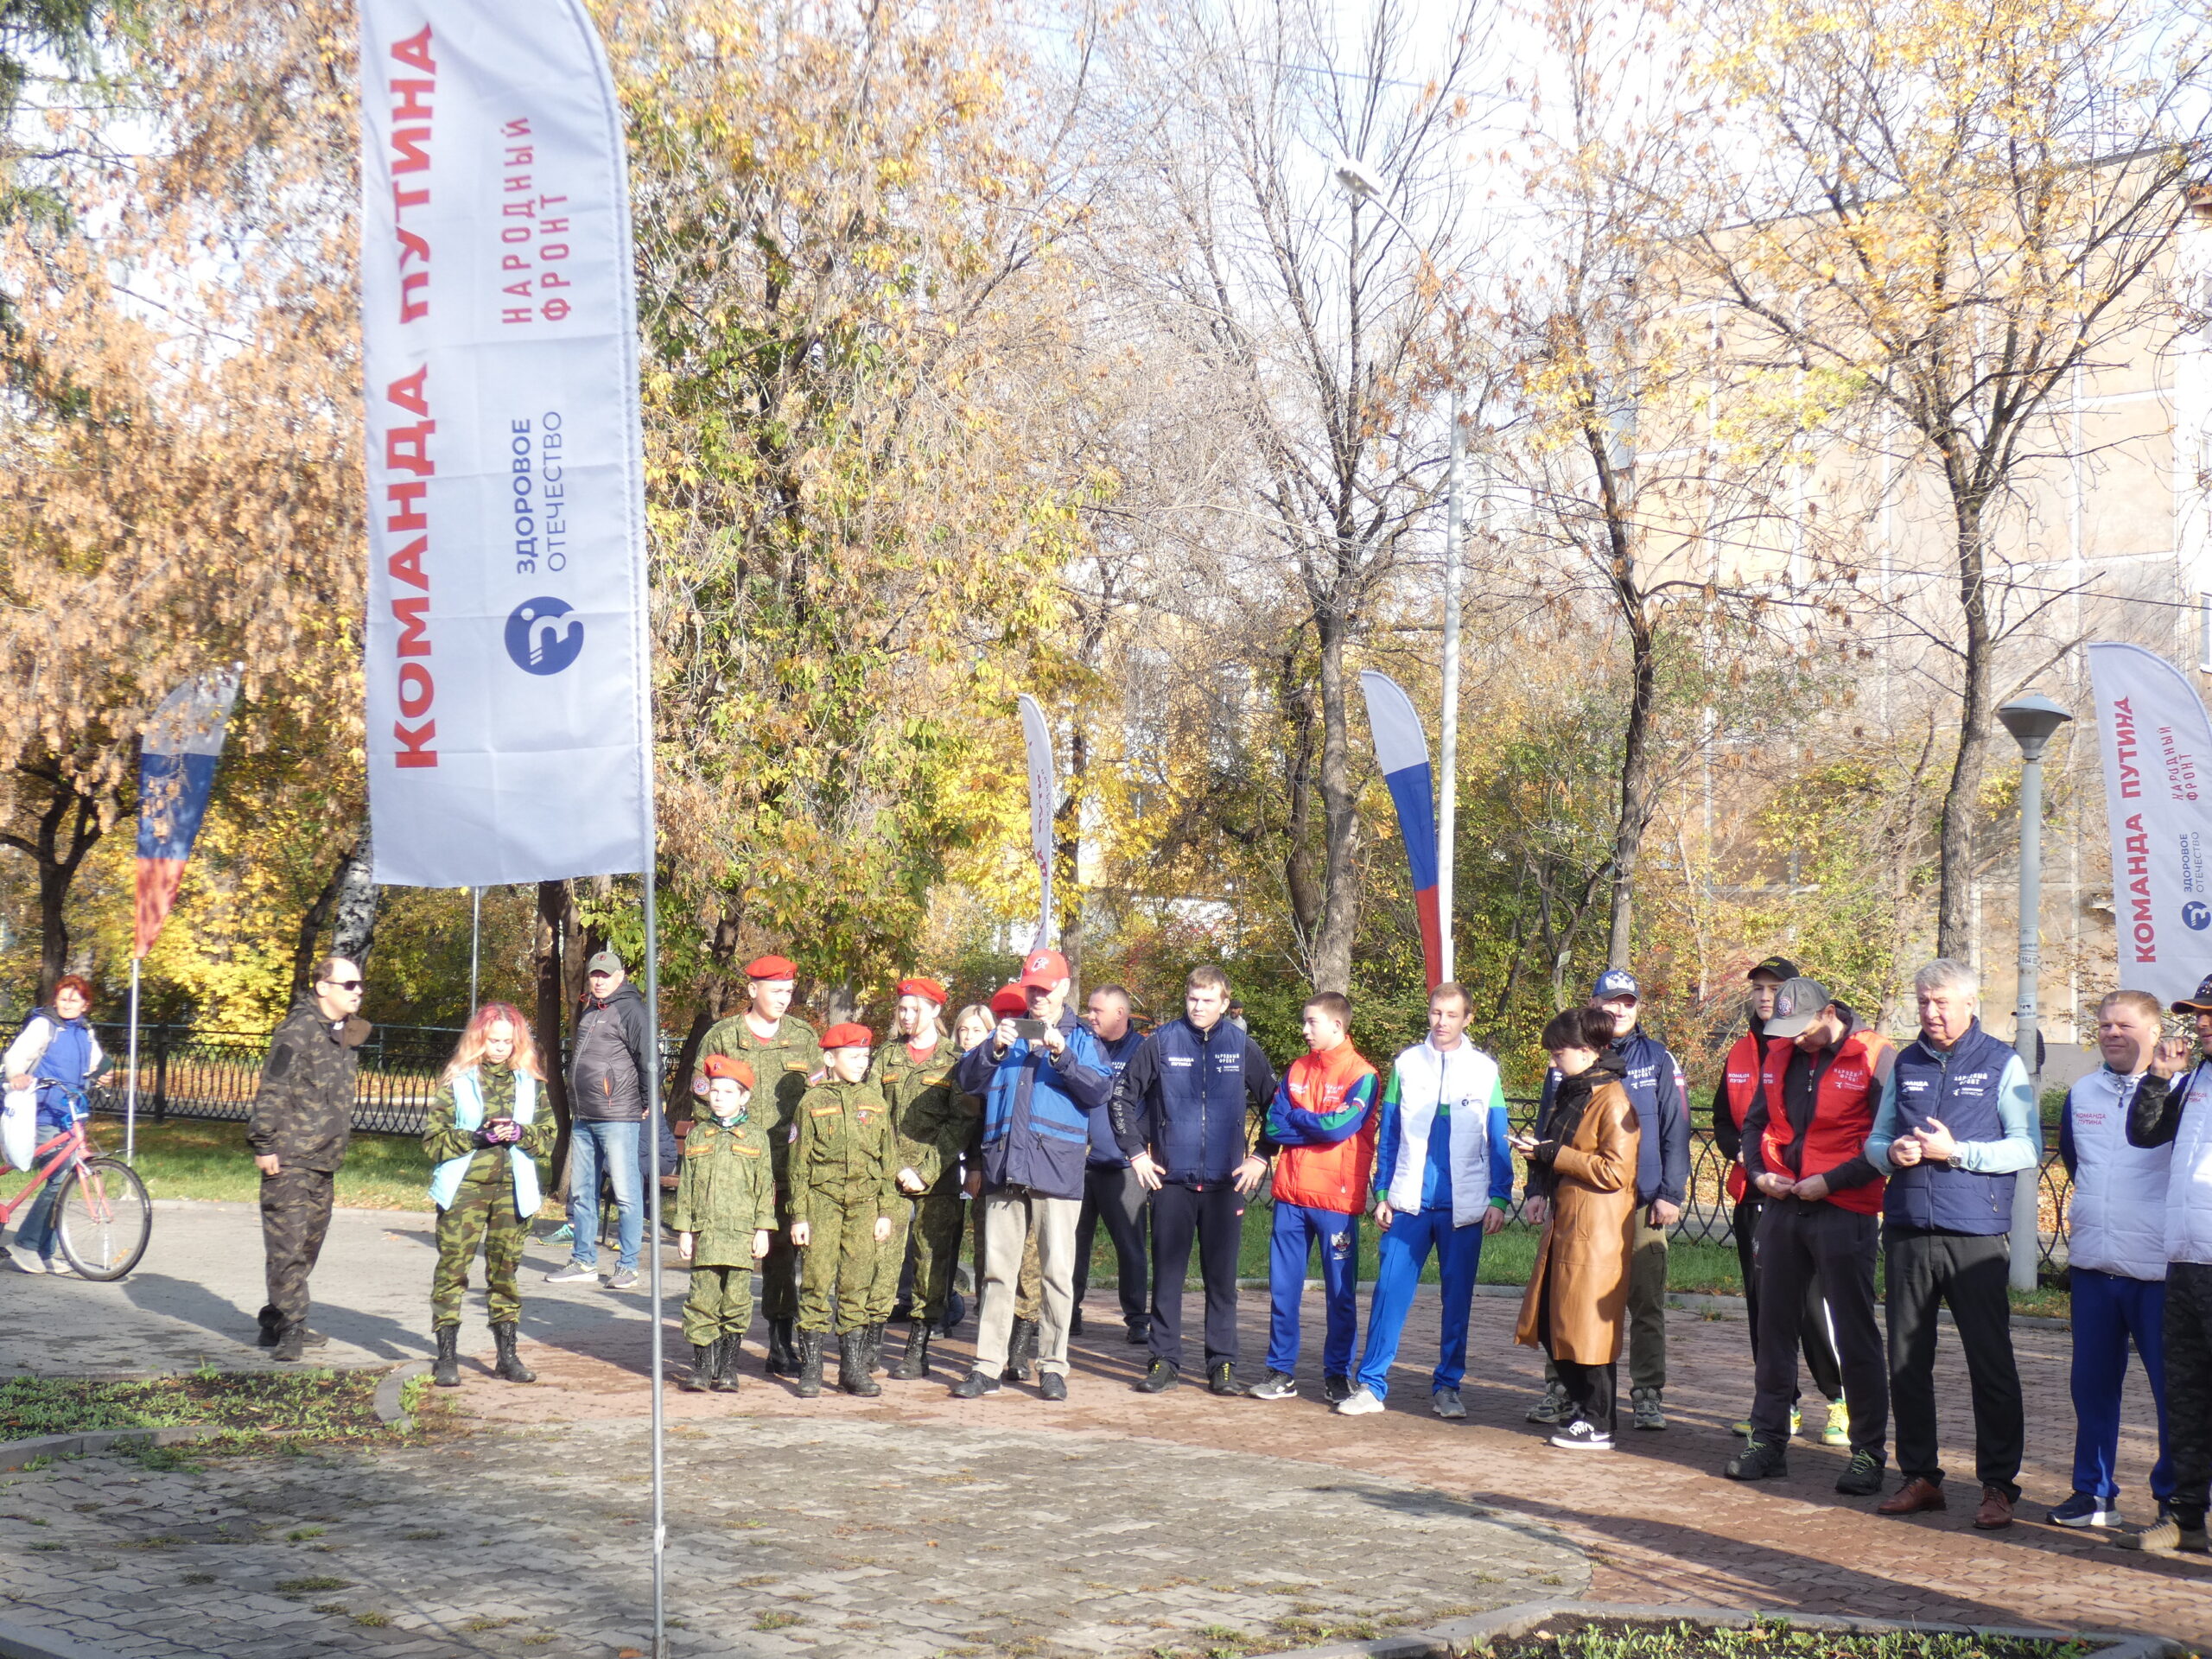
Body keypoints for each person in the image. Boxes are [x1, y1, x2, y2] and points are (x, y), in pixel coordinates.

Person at [1864, 958, 2039, 1529]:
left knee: (1990, 1363)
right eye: (1922, 1002)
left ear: (1969, 1005)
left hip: (1976, 1235)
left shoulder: (2001, 1061)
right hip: (1911, 1228)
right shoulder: (1906, 1061)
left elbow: (2025, 1148)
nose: (1931, 1013)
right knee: (1907, 1361)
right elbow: (1877, 1140)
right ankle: (1920, 1477)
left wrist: (1956, 1152)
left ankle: (1997, 1486)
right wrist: (1892, 1155)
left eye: (1941, 1003)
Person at [1721, 976, 1892, 1496]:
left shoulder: (1875, 1055)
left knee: (1854, 1330)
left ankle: (1868, 1452)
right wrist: (1758, 1174)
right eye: (1784, 1031)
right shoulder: (1778, 1053)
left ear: (1830, 1013)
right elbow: (1753, 1124)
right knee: (1773, 1327)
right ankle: (1768, 1440)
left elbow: (1886, 1138)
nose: (1792, 1040)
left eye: (1802, 1029)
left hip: (1845, 1206)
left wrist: (1832, 1181)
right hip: (1782, 1203)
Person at [1334, 984, 1510, 1418]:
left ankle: (1448, 1386)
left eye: (1451, 1015)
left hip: (1463, 1208)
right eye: (1435, 1013)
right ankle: (1371, 1385)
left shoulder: (1485, 1071)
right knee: (1388, 1294)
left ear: (1468, 1019)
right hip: (1407, 1202)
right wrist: (1381, 1193)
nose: (1441, 1022)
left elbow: (1499, 1137)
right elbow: (1388, 1133)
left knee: (1457, 1302)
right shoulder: (1407, 1064)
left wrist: (1499, 1199)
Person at [948, 949, 1114, 1402]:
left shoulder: (1081, 1037)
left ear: (1063, 987)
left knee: (1057, 1275)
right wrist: (993, 1047)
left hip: (1056, 1172)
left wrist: (1062, 1055)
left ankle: (1053, 1366)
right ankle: (987, 1366)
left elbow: (1099, 1090)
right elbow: (964, 1079)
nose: (1036, 996)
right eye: (1030, 988)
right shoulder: (1008, 1032)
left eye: (1044, 989)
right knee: (997, 1274)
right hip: (1005, 1168)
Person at [1528, 969, 1688, 1432]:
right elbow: (1549, 1129)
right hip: (1583, 1201)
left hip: (1641, 1199)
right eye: (1610, 1001)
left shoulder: (1655, 1058)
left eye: (1628, 1002)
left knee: (1644, 1301)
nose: (1619, 1009)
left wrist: (1670, 1194)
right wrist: (1538, 1188)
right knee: (1569, 1297)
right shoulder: (1569, 1057)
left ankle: (1647, 1393)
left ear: (1638, 1007)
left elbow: (1675, 1128)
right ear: (1593, 1004)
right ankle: (1562, 1391)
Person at [1111, 963, 1277, 1396]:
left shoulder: (1242, 1046)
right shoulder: (1161, 1042)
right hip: (1172, 1183)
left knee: (1222, 1280)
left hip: (1226, 1184)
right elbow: (1121, 1098)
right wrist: (1135, 1154)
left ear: (1225, 1003)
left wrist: (1261, 1156)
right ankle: (1163, 1360)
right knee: (1167, 1277)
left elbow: (1278, 1104)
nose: (1199, 1007)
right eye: (1192, 999)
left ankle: (1222, 1364)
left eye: (1208, 1000)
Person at [2046, 990, 2171, 1529]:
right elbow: (2077, 1164)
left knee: (2175, 1393)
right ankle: (2093, 1495)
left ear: (2155, 1032)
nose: (2112, 1033)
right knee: (2092, 1386)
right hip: (2095, 1265)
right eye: (2103, 1025)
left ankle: (2177, 1499)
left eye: (2124, 1024)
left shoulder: (2183, 1091)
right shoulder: (2083, 1091)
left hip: (2160, 1270)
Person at [1714, 957, 1847, 1443]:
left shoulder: (1825, 1051)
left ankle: (1839, 1399)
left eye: (1775, 987)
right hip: (1757, 1194)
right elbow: (1731, 1124)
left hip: (1811, 1197)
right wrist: (1756, 1166)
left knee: (1814, 1307)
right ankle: (1779, 1403)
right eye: (1758, 989)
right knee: (1763, 1306)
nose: (1765, 996)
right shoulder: (1742, 1053)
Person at [1513, 1005, 1640, 1450]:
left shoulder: (1613, 1099)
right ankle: (1586, 1412)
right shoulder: (1578, 1091)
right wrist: (1543, 1158)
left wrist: (1553, 1155)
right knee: (1554, 1322)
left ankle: (1598, 1422)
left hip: (1598, 1230)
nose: (1553, 1061)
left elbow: (1616, 1172)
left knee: (1588, 1331)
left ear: (1586, 1052)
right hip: (1570, 1224)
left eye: (1558, 1052)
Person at [2114, 976, 2212, 1554]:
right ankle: (2184, 1519)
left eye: (2209, 1014)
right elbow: (2144, 1132)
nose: (2200, 1023)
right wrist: (2158, 1077)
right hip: (2185, 1261)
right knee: (2187, 1398)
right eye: (2197, 1014)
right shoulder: (2195, 1077)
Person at [1250, 992, 1379, 1404]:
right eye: (1304, 1022)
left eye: (1312, 1022)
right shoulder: (1296, 1069)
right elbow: (1273, 1126)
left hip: (1336, 1203)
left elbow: (1340, 1128)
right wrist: (1313, 1125)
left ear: (1338, 1027)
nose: (1304, 1030)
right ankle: (1280, 1371)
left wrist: (1301, 1122)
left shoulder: (1364, 1075)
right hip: (1290, 1195)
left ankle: (1338, 1375)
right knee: (1282, 1289)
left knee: (1340, 1294)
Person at [697, 955, 821, 1376]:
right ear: (753, 990)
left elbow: (819, 1100)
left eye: (789, 991)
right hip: (734, 1167)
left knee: (783, 1255)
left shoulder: (804, 1037)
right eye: (776, 991)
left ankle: (780, 1339)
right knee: (727, 1251)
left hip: (787, 1165)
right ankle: (714, 1345)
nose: (784, 999)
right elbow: (702, 1106)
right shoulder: (724, 1035)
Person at [423, 1002, 556, 1389]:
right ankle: (446, 1357)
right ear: (479, 1038)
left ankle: (507, 1356)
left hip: (513, 1192)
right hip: (464, 1190)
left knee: (505, 1275)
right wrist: (476, 1137)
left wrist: (521, 1134)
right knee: (453, 1272)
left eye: (506, 1041)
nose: (499, 1048)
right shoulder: (458, 1079)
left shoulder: (530, 1082)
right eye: (493, 1040)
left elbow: (548, 1137)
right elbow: (433, 1141)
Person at [248, 956, 369, 1361]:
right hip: (290, 1158)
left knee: (306, 1246)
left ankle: (276, 1317)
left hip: (324, 1159)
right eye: (349, 984)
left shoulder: (342, 1034)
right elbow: (273, 1089)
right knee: (288, 1246)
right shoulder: (296, 1031)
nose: (358, 991)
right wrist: (264, 1144)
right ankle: (292, 1329)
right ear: (323, 987)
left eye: (359, 985)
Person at [789, 1022, 901, 1397]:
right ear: (829, 1058)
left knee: (857, 1284)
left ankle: (852, 1368)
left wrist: (886, 1210)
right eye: (853, 1056)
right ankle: (812, 1368)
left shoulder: (875, 1100)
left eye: (865, 1057)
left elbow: (888, 1159)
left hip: (864, 1204)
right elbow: (799, 1164)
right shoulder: (811, 1102)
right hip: (822, 1202)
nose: (861, 1063)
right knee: (817, 1282)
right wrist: (799, 1216)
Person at [868, 977, 970, 1379]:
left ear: (935, 1012)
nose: (907, 1017)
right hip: (888, 1177)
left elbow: (961, 1122)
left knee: (931, 1262)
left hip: (937, 1180)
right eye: (902, 1009)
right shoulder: (886, 1056)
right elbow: (872, 1114)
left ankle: (918, 1349)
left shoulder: (956, 1058)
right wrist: (894, 1166)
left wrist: (925, 1170)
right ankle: (871, 1345)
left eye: (916, 1009)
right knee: (882, 1260)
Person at [545, 950, 655, 1292]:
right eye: (595, 974)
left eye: (605, 975)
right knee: (581, 1192)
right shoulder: (591, 1010)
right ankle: (583, 1261)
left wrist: (648, 1099)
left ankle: (628, 1266)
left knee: (626, 1193)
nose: (598, 980)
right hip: (585, 1115)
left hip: (618, 1116)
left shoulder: (632, 1010)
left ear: (620, 977)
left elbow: (649, 1059)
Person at [672, 1054, 775, 1395]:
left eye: (728, 1092)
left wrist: (763, 1229)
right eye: (714, 1091)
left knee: (736, 1302)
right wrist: (685, 1229)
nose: (719, 1098)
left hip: (741, 1235)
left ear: (744, 1097)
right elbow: (686, 1185)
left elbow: (765, 1187)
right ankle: (702, 1367)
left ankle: (728, 1367)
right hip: (706, 1233)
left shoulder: (756, 1137)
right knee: (701, 1300)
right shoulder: (699, 1135)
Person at [3, 976, 105, 1276]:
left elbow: (97, 1063)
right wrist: (17, 1074)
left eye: (74, 1000)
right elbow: (16, 1055)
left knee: (64, 1175)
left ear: (85, 1004)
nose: (67, 1004)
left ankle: (44, 1252)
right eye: (63, 998)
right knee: (62, 1174)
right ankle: (27, 1244)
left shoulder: (84, 1031)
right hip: (40, 1112)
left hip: (68, 1113)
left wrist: (105, 1074)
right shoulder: (45, 1025)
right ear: (55, 999)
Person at [1072, 982, 1150, 1344]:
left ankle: (1136, 1318)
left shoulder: (1144, 1050)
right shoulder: (1083, 1044)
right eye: (1088, 1009)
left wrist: (1140, 1149)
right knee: (1071, 1243)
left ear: (1120, 1014)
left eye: (1096, 1010)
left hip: (1123, 1167)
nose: (1090, 1016)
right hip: (1077, 1164)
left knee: (1130, 1245)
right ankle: (1068, 1312)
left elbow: (1153, 1106)